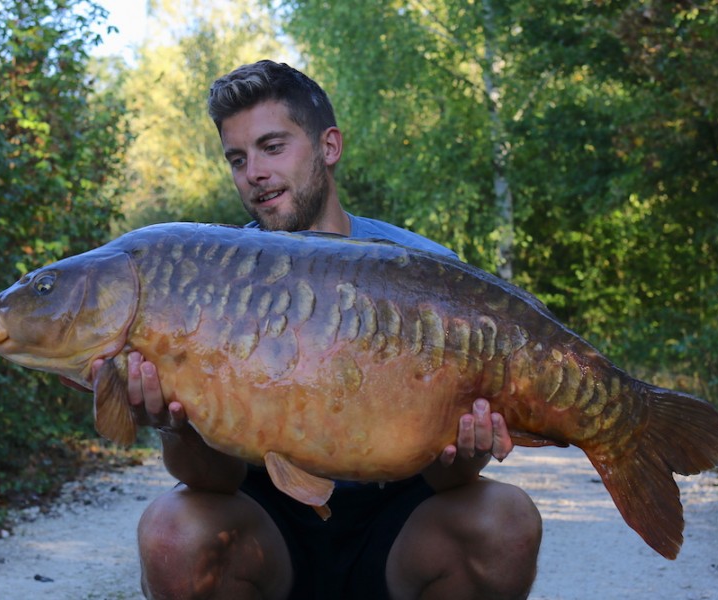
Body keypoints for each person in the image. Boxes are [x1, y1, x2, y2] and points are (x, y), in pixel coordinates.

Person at [124, 60, 542, 600]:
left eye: (272, 147)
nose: (253, 171)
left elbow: (451, 482)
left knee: (504, 519)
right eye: (237, 158)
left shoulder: (425, 271)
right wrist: (173, 424)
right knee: (172, 530)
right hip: (268, 526)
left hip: (399, 525)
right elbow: (213, 482)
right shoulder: (210, 281)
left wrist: (467, 447)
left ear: (329, 147)